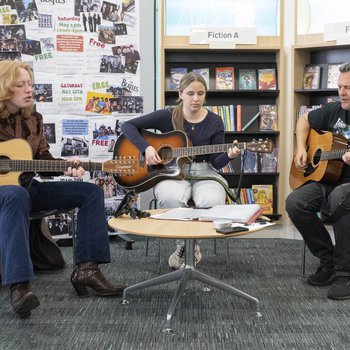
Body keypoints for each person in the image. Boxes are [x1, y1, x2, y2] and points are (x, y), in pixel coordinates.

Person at [0, 60, 126, 318]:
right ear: (4, 87)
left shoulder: (34, 119)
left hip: (24, 190)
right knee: (15, 194)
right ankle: (19, 286)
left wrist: (65, 166)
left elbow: (43, 161)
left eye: (30, 84)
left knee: (89, 192)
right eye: (20, 84)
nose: (29, 89)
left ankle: (87, 270)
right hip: (11, 195)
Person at [121, 72, 240, 269]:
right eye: (190, 93)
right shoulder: (167, 115)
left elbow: (216, 163)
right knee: (168, 196)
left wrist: (229, 156)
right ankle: (184, 247)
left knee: (212, 200)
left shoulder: (215, 121)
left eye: (200, 93)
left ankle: (191, 245)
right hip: (171, 171)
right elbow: (128, 126)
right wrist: (147, 148)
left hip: (205, 172)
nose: (196, 98)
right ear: (180, 94)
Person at [285, 62, 350, 300]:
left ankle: (346, 273)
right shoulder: (334, 110)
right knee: (295, 203)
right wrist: (301, 148)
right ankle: (328, 259)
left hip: (345, 188)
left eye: (348, 88)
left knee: (340, 197)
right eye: (340, 87)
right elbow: (304, 121)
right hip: (327, 178)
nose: (342, 92)